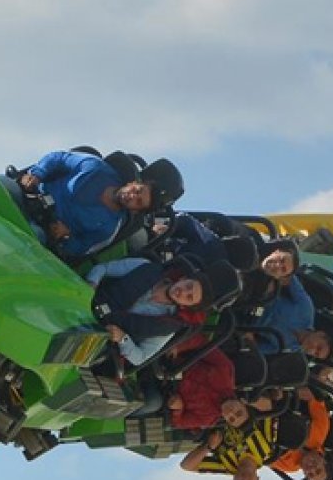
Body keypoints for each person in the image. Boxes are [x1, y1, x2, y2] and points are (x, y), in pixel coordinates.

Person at [18, 150, 183, 259]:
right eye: (137, 190)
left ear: (136, 210)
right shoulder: (94, 166)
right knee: (0, 185)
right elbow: (58, 158)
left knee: (28, 238)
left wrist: (65, 235)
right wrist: (37, 174)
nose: (132, 196)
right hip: (28, 194)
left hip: (40, 228)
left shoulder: (108, 229)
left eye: (138, 201)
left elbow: (79, 249)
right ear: (133, 182)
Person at [88, 257, 225, 366]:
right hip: (86, 301)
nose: (183, 292)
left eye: (189, 297)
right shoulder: (146, 266)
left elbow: (140, 358)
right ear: (183, 279)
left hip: (99, 336)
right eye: (188, 286)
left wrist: (122, 338)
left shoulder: (167, 327)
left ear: (186, 306)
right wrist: (91, 284)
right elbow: (103, 268)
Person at [179, 418, 278, 480]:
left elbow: (186, 465)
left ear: (234, 479)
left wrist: (209, 447)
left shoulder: (225, 466)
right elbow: (268, 415)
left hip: (212, 416)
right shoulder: (267, 449)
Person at [166, 347, 248, 430]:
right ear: (243, 403)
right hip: (176, 357)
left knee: (153, 403)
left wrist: (179, 409)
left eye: (231, 419)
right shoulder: (226, 371)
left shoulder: (207, 419)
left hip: (165, 387)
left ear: (226, 420)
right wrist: (177, 347)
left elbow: (178, 423)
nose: (231, 412)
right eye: (238, 412)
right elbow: (202, 344)